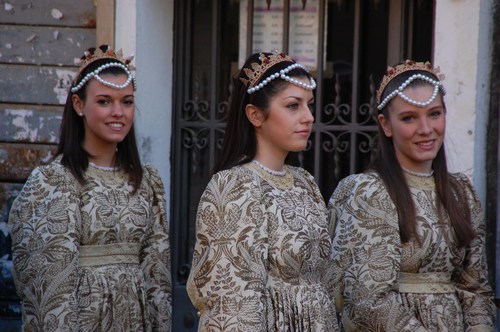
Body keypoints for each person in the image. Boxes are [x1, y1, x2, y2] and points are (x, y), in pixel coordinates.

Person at [9, 45, 172, 331]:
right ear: (79, 105)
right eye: (105, 102)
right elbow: (49, 287)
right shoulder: (54, 182)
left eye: (127, 102)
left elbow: (156, 274)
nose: (118, 112)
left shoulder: (146, 181)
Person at [328, 59, 496, 331]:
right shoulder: (370, 192)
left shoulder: (461, 193)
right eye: (409, 118)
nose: (426, 129)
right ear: (386, 124)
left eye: (434, 114)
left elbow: (476, 288)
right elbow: (367, 299)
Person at [187, 51, 340, 331]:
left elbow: (326, 280)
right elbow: (231, 306)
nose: (308, 117)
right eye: (293, 106)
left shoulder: (305, 182)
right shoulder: (235, 186)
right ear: (255, 114)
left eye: (309, 105)